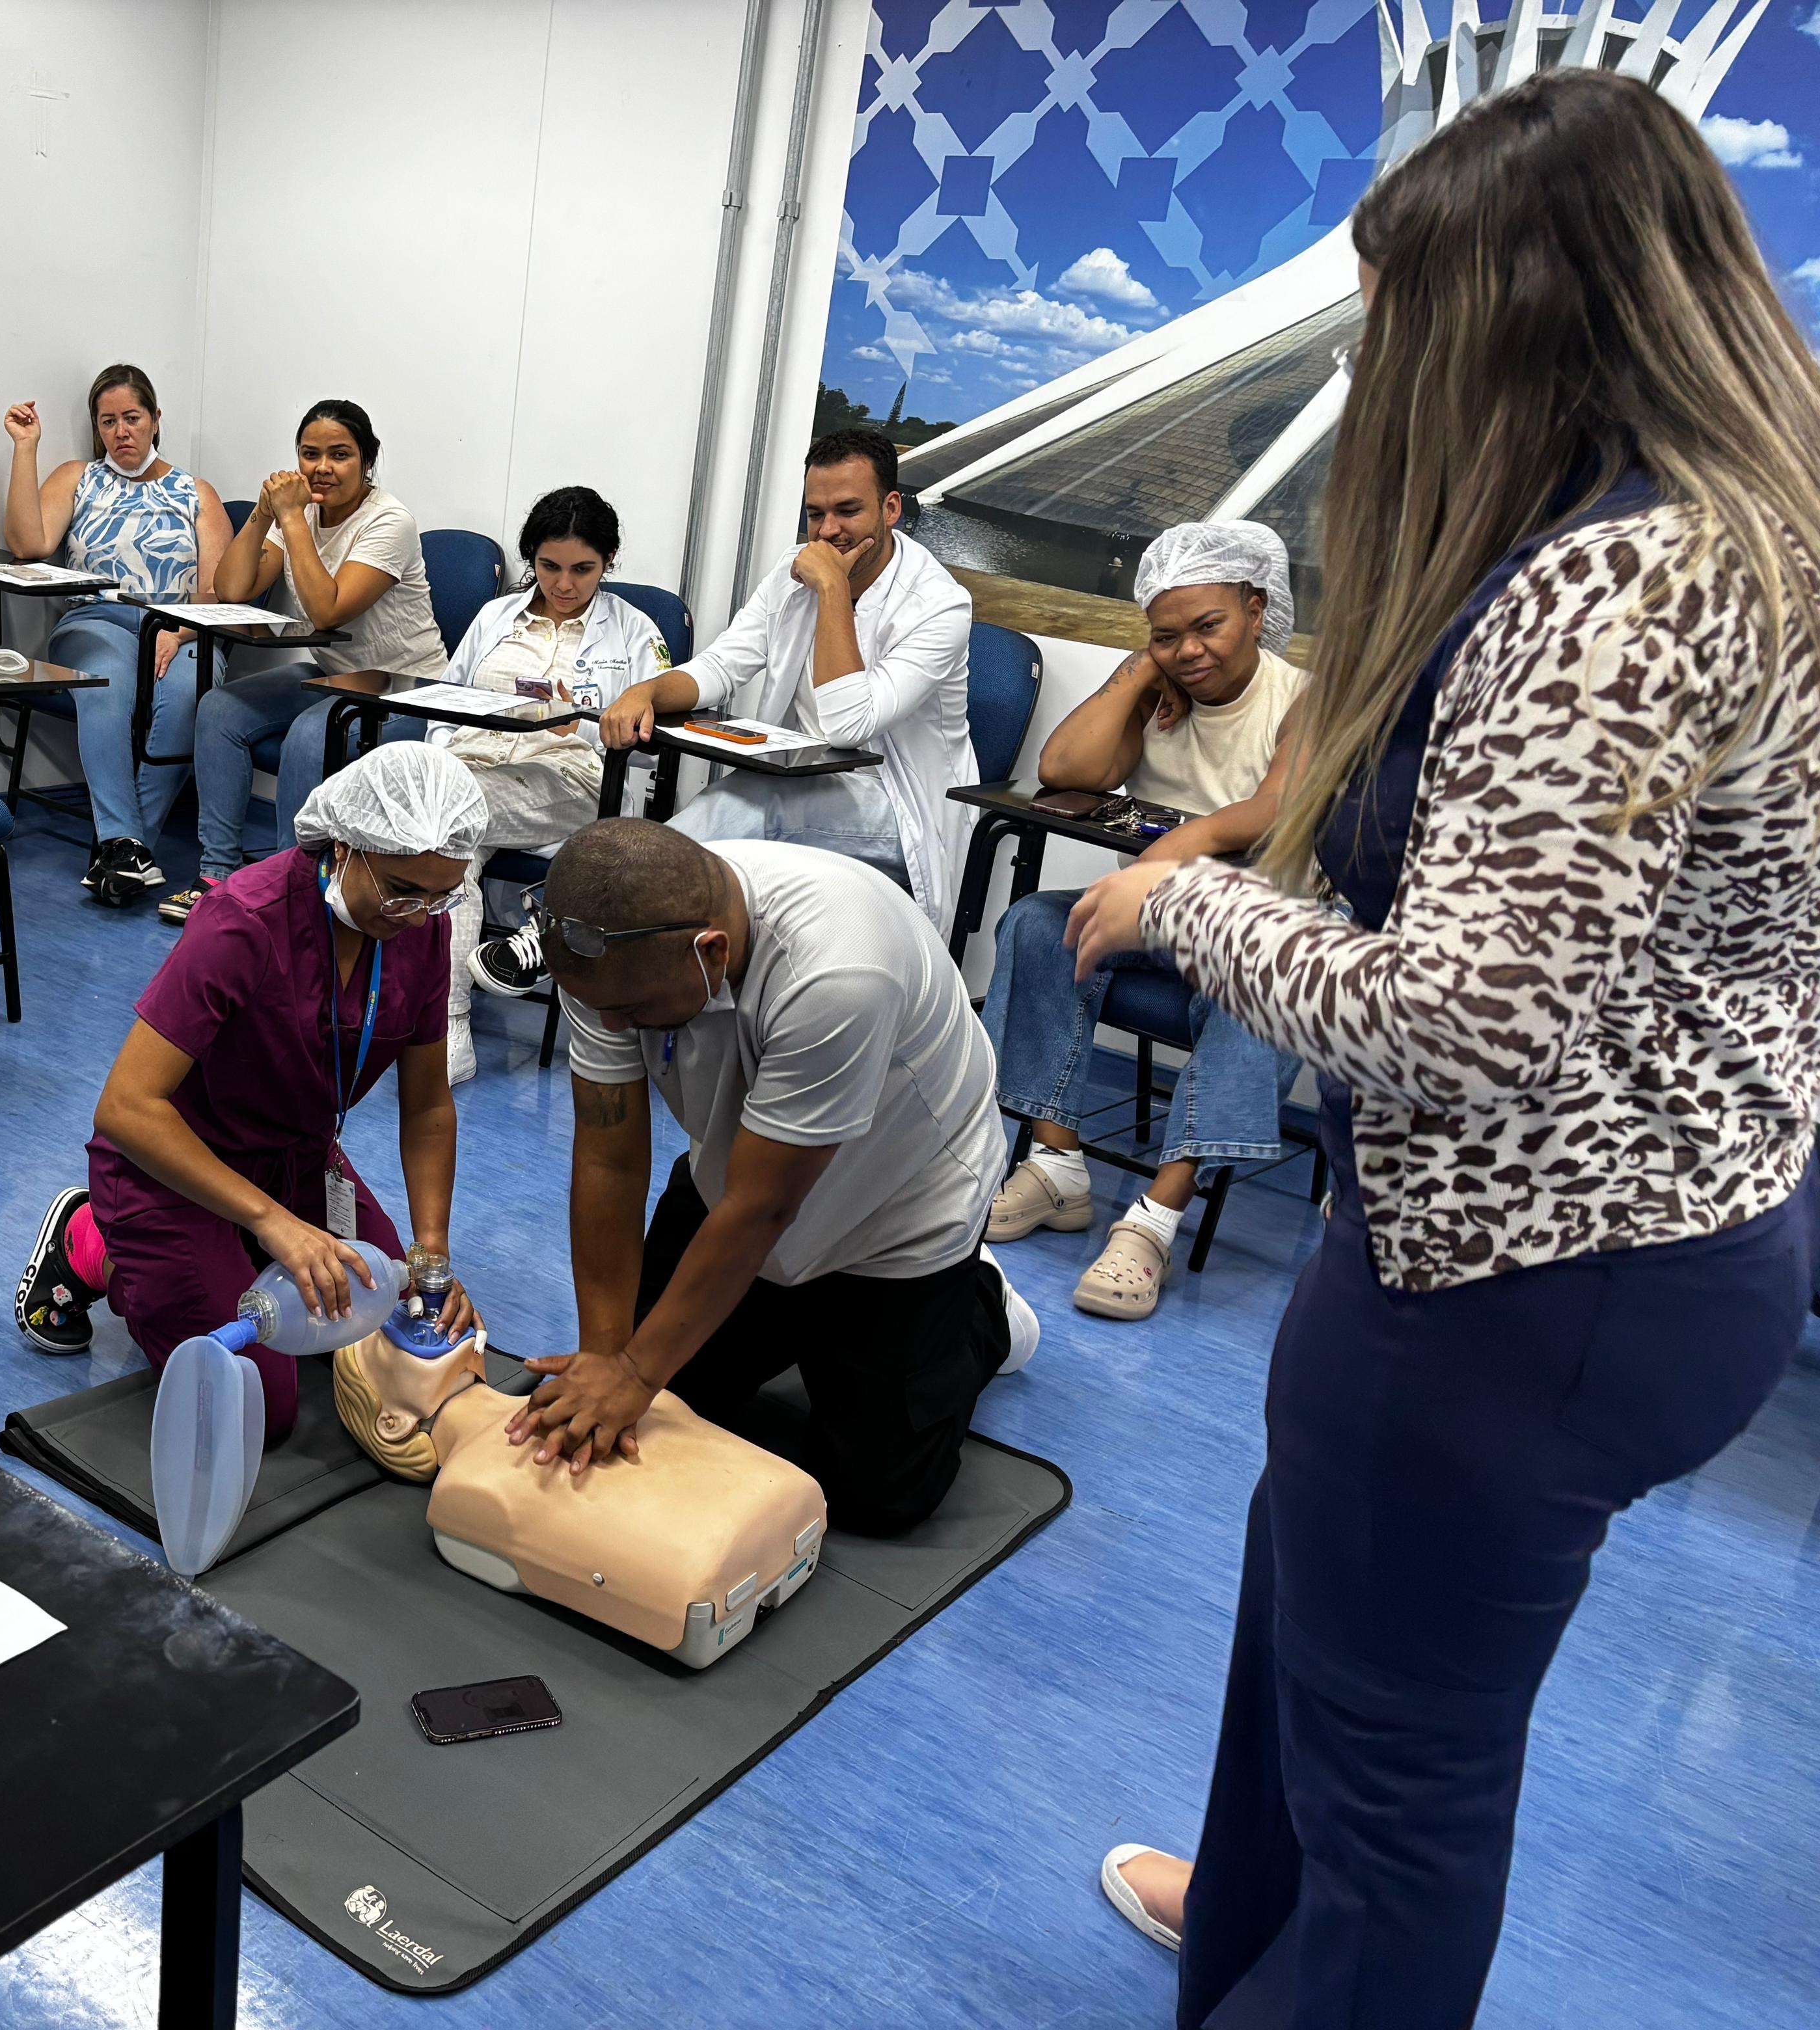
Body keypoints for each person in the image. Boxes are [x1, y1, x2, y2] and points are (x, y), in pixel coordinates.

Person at [1065, 72, 1820, 2025]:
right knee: (1306, 1632)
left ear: (1507, 317)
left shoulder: (1617, 581)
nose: (1383, 367)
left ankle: (1309, 1955)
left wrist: (1191, 904)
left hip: (1522, 1269)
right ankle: (1246, 1910)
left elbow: (1467, 1019)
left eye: (1402, 318)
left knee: (1401, 1788)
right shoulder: (1761, 530)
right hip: (1661, 1219)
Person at [514, 818, 1039, 1534]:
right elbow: (608, 1156)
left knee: (875, 1497)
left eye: (630, 1014)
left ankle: (979, 1305)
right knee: (658, 1410)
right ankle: (799, 1332)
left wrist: (637, 1375)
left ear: (712, 950)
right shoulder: (601, 947)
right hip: (734, 1177)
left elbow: (762, 1210)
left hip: (896, 1211)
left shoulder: (837, 971)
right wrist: (607, 1356)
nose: (610, 1024)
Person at [14, 742, 487, 1440]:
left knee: (388, 1320)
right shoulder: (244, 920)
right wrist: (272, 1224)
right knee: (260, 1408)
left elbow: (426, 1107)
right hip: (170, 1166)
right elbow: (125, 1107)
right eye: (400, 890)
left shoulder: (422, 927)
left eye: (438, 895)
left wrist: (431, 1253)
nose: (417, 916)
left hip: (296, 1158)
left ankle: (244, 1243)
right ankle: (92, 1240)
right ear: (343, 846)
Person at [977, 519, 1307, 1320]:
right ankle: (1057, 1167)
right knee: (1032, 924)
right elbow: (1063, 771)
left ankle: (1155, 1219)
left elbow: (1277, 806)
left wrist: (1181, 845)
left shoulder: (1302, 697)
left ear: (1256, 610)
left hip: (1255, 929)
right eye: (1167, 635)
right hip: (1151, 927)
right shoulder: (1158, 688)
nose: (1190, 650)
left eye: (1208, 627)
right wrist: (1133, 675)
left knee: (1255, 989)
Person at [600, 427, 975, 928]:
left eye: (848, 511)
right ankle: (615, 923)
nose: (827, 532)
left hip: (902, 811)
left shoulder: (940, 605)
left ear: (891, 509)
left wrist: (832, 588)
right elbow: (723, 666)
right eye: (815, 514)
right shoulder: (791, 570)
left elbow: (847, 724)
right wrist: (647, 690)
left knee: (751, 811)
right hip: (799, 779)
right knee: (731, 816)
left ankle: (598, 916)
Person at [165, 398, 448, 924]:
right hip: (334, 675)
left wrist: (293, 518)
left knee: (312, 735)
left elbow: (327, 609)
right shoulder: (298, 514)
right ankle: (219, 877)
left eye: (339, 455)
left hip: (406, 683)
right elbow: (232, 590)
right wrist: (263, 513)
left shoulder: (390, 521)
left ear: (367, 461)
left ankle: (284, 895)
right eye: (309, 454)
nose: (322, 468)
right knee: (220, 709)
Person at [426, 484, 670, 1085]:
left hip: (571, 778)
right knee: (448, 849)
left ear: (608, 562)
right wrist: (443, 755)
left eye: (583, 570)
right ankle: (446, 1031)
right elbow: (443, 705)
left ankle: (445, 1023)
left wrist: (584, 730)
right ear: (530, 558)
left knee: (435, 816)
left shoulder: (637, 632)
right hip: (472, 770)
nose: (564, 585)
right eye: (549, 567)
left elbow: (651, 748)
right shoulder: (494, 618)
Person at [2, 365, 231, 905]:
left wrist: (178, 632)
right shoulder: (78, 477)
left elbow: (219, 590)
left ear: (155, 420)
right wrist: (25, 447)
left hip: (183, 631)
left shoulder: (195, 492)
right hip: (96, 623)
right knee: (106, 685)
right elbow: (27, 543)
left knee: (184, 696)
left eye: (132, 418)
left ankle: (125, 852)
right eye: (109, 422)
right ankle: (124, 842)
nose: (121, 431)